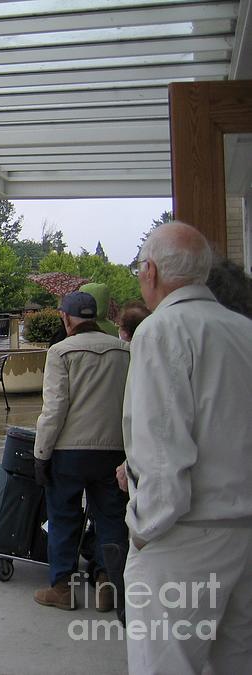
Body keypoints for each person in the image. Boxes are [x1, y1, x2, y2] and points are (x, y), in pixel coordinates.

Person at [122, 221, 252, 674]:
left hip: (185, 541)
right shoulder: (243, 330)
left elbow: (163, 453)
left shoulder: (161, 332)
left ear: (151, 272)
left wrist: (142, 527)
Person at [32, 291, 130, 611]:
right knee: (111, 517)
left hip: (68, 451)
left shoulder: (60, 351)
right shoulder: (124, 350)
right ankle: (107, 583)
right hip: (114, 450)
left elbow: (55, 408)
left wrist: (41, 453)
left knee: (63, 517)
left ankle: (62, 587)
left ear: (66, 317)